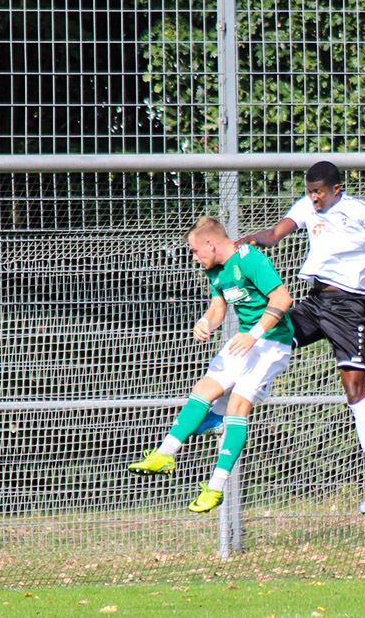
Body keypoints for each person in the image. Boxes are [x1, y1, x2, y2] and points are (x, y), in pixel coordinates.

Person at [237, 161, 365, 514]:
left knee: (354, 390)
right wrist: (243, 242)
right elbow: (274, 235)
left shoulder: (360, 210)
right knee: (264, 339)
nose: (313, 198)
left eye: (318, 192)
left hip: (349, 308)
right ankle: (225, 404)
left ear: (336, 189)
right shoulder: (306, 207)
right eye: (309, 191)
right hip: (315, 302)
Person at [127, 217, 293, 514]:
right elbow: (218, 307)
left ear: (210, 243)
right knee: (204, 388)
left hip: (271, 344)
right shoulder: (216, 271)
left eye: (194, 251)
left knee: (237, 407)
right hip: (245, 341)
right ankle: (165, 453)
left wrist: (254, 335)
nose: (193, 257)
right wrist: (205, 322)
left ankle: (216, 486)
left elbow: (282, 297)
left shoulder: (251, 259)